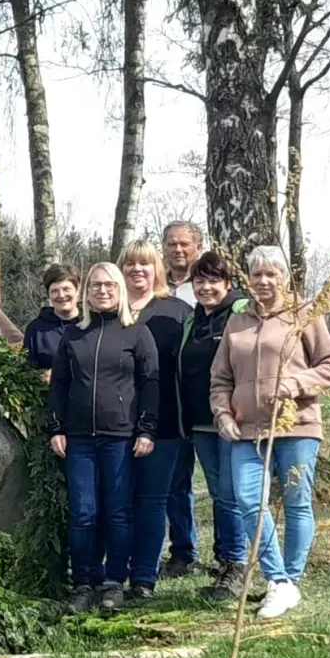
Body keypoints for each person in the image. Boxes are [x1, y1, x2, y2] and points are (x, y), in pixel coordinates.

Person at [211, 245, 330, 619]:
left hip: (297, 426)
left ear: (285, 277)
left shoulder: (304, 315)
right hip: (247, 430)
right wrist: (223, 415)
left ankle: (290, 581)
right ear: (247, 280)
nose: (264, 281)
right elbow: (220, 378)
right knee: (249, 502)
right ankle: (278, 580)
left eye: (272, 274)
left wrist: (295, 383)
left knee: (297, 502)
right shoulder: (237, 322)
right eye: (257, 275)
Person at [49, 262, 159, 613]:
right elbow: (60, 384)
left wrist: (146, 429)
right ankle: (83, 582)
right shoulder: (73, 334)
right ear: (87, 292)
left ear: (120, 290)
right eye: (96, 286)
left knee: (118, 513)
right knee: (83, 513)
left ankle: (114, 582)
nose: (102, 291)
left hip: (121, 438)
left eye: (109, 285)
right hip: (79, 439)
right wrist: (57, 428)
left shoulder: (137, 333)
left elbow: (151, 383)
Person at [119, 240, 194, 599]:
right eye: (130, 263)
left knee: (152, 501)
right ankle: (113, 572)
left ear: (157, 269)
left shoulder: (176, 311)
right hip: (113, 424)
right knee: (119, 502)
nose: (137, 270)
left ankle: (144, 578)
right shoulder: (108, 310)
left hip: (163, 424)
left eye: (145, 264)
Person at [175, 251, 251, 600]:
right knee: (220, 492)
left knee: (231, 493)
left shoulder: (239, 314)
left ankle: (236, 564)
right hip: (200, 421)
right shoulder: (194, 320)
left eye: (212, 280)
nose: (205, 287)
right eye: (199, 281)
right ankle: (225, 560)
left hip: (232, 419)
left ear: (228, 283)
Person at [24, 263, 83, 380]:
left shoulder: (92, 324)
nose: (61, 295)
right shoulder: (36, 329)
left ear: (78, 290)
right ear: (48, 294)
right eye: (55, 291)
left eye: (66, 289)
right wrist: (40, 378)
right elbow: (25, 373)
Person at [162, 221, 204, 306]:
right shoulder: (155, 285)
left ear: (198, 248)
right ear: (164, 248)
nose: (178, 250)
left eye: (184, 244)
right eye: (172, 244)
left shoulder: (208, 286)